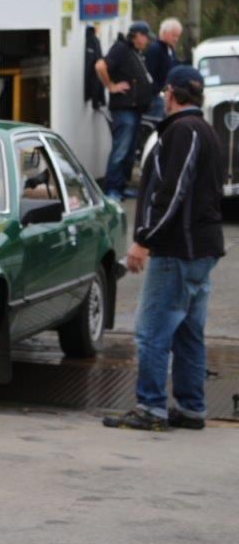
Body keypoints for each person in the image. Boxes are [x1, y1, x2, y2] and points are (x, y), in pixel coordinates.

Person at [103, 65, 224, 432]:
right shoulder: (205, 130)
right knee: (187, 332)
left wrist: (144, 240)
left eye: (164, 92)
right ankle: (191, 408)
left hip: (178, 250)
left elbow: (172, 193)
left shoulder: (184, 131)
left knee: (152, 332)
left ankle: (151, 408)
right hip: (199, 249)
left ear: (170, 93)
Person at [94, 21, 154, 201]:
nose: (147, 41)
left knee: (128, 152)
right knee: (120, 150)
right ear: (137, 36)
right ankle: (111, 189)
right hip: (124, 110)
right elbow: (100, 66)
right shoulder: (120, 48)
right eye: (145, 37)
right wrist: (111, 86)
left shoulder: (134, 52)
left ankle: (121, 186)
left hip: (134, 110)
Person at [143, 18, 183, 120]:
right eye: (174, 35)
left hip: (167, 97)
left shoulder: (170, 49)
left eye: (178, 36)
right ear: (164, 33)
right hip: (156, 98)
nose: (176, 39)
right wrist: (158, 92)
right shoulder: (155, 49)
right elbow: (148, 74)